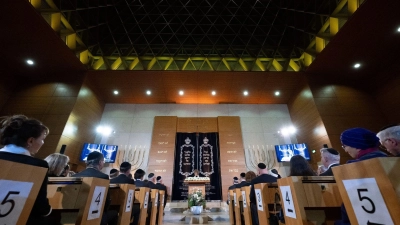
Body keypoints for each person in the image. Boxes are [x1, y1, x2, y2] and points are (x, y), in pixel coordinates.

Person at [0, 115, 56, 224]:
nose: (43, 143)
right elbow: (41, 206)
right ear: (30, 141)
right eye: (42, 139)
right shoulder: (38, 165)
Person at [335, 127, 388, 225]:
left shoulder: (354, 168)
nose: (346, 150)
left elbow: (350, 207)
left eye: (345, 146)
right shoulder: (389, 160)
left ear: (356, 145)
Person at [72, 151, 118, 225]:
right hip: (93, 214)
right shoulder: (103, 177)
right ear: (100, 162)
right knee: (114, 213)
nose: (103, 163)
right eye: (103, 161)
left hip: (74, 214)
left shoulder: (74, 176)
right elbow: (107, 200)